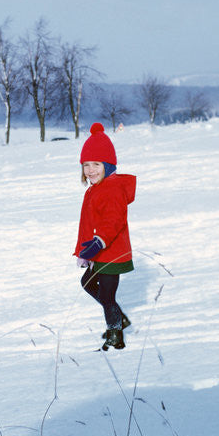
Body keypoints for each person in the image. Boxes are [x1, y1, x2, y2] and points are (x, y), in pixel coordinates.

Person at [74, 122, 137, 350]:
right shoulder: (96, 188)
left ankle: (115, 335)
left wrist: (97, 242)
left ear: (108, 165)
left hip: (112, 252)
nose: (90, 170)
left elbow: (113, 221)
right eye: (86, 165)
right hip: (100, 252)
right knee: (88, 283)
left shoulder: (111, 189)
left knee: (107, 295)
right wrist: (86, 248)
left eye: (96, 164)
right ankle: (119, 318)